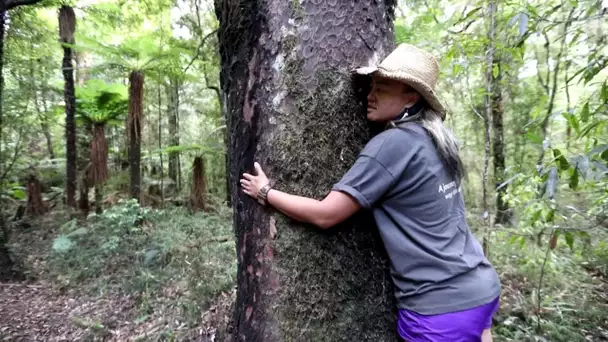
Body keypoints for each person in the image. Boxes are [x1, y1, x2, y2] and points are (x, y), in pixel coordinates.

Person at [239, 43, 501, 342]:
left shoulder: (394, 143)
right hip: (481, 288)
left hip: (439, 308)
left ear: (411, 96)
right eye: (371, 86)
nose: (370, 94)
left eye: (383, 88)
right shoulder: (438, 140)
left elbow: (327, 215)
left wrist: (266, 192)